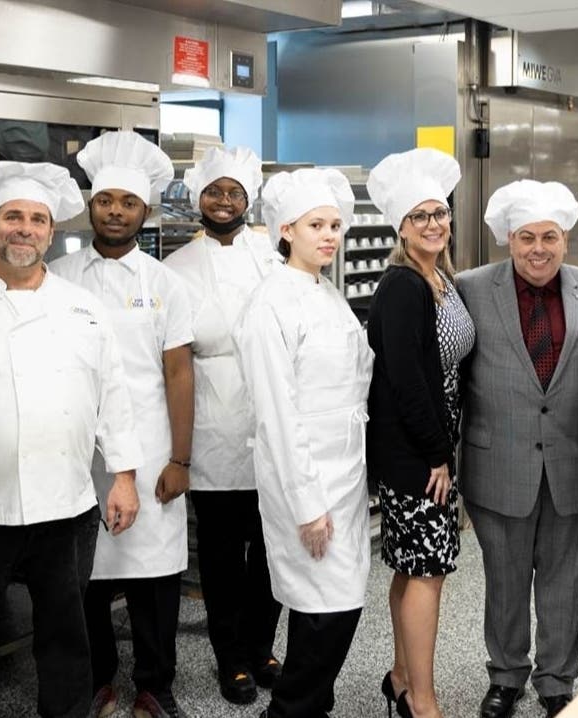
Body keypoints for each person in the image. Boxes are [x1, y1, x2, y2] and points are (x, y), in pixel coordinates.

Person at [0, 161, 142, 718]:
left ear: (52, 232)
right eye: (12, 217)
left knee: (64, 639)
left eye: (36, 219)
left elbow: (115, 398)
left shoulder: (84, 310)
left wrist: (123, 477)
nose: (24, 229)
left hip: (68, 504)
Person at [49, 131, 194, 718]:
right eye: (106, 200)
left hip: (153, 444)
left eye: (128, 203)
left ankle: (155, 686)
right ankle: (97, 680)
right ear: (91, 205)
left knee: (155, 575)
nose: (115, 211)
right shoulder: (59, 277)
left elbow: (179, 374)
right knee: (86, 576)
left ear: (145, 211)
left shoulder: (164, 284)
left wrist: (180, 460)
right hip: (79, 450)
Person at [456, 179, 578, 718]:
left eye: (549, 236)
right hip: (497, 461)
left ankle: (556, 679)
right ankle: (505, 675)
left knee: (567, 583)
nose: (538, 248)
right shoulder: (468, 289)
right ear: (507, 239)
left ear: (566, 239)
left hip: (575, 462)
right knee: (504, 579)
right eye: (526, 238)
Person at [233, 168, 374, 718]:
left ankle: (307, 705)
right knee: (325, 610)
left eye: (336, 225)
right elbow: (277, 415)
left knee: (338, 604)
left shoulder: (326, 292)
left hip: (345, 474)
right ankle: (293, 709)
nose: (330, 236)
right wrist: (308, 504)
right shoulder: (271, 303)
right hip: (305, 479)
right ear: (286, 229)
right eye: (317, 224)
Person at [164, 145, 283, 705]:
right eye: (214, 191)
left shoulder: (273, 257)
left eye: (234, 191)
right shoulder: (175, 268)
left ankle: (262, 647)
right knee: (219, 554)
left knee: (270, 546)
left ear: (248, 198)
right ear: (198, 197)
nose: (224, 200)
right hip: (211, 420)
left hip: (270, 416)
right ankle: (229, 657)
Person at [366, 148, 475, 718]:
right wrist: (438, 454)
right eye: (420, 216)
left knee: (413, 565)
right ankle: (422, 703)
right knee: (428, 571)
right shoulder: (403, 286)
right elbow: (408, 381)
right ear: (401, 228)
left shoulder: (439, 277)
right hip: (417, 451)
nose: (434, 223)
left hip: (429, 445)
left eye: (440, 213)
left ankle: (400, 676)